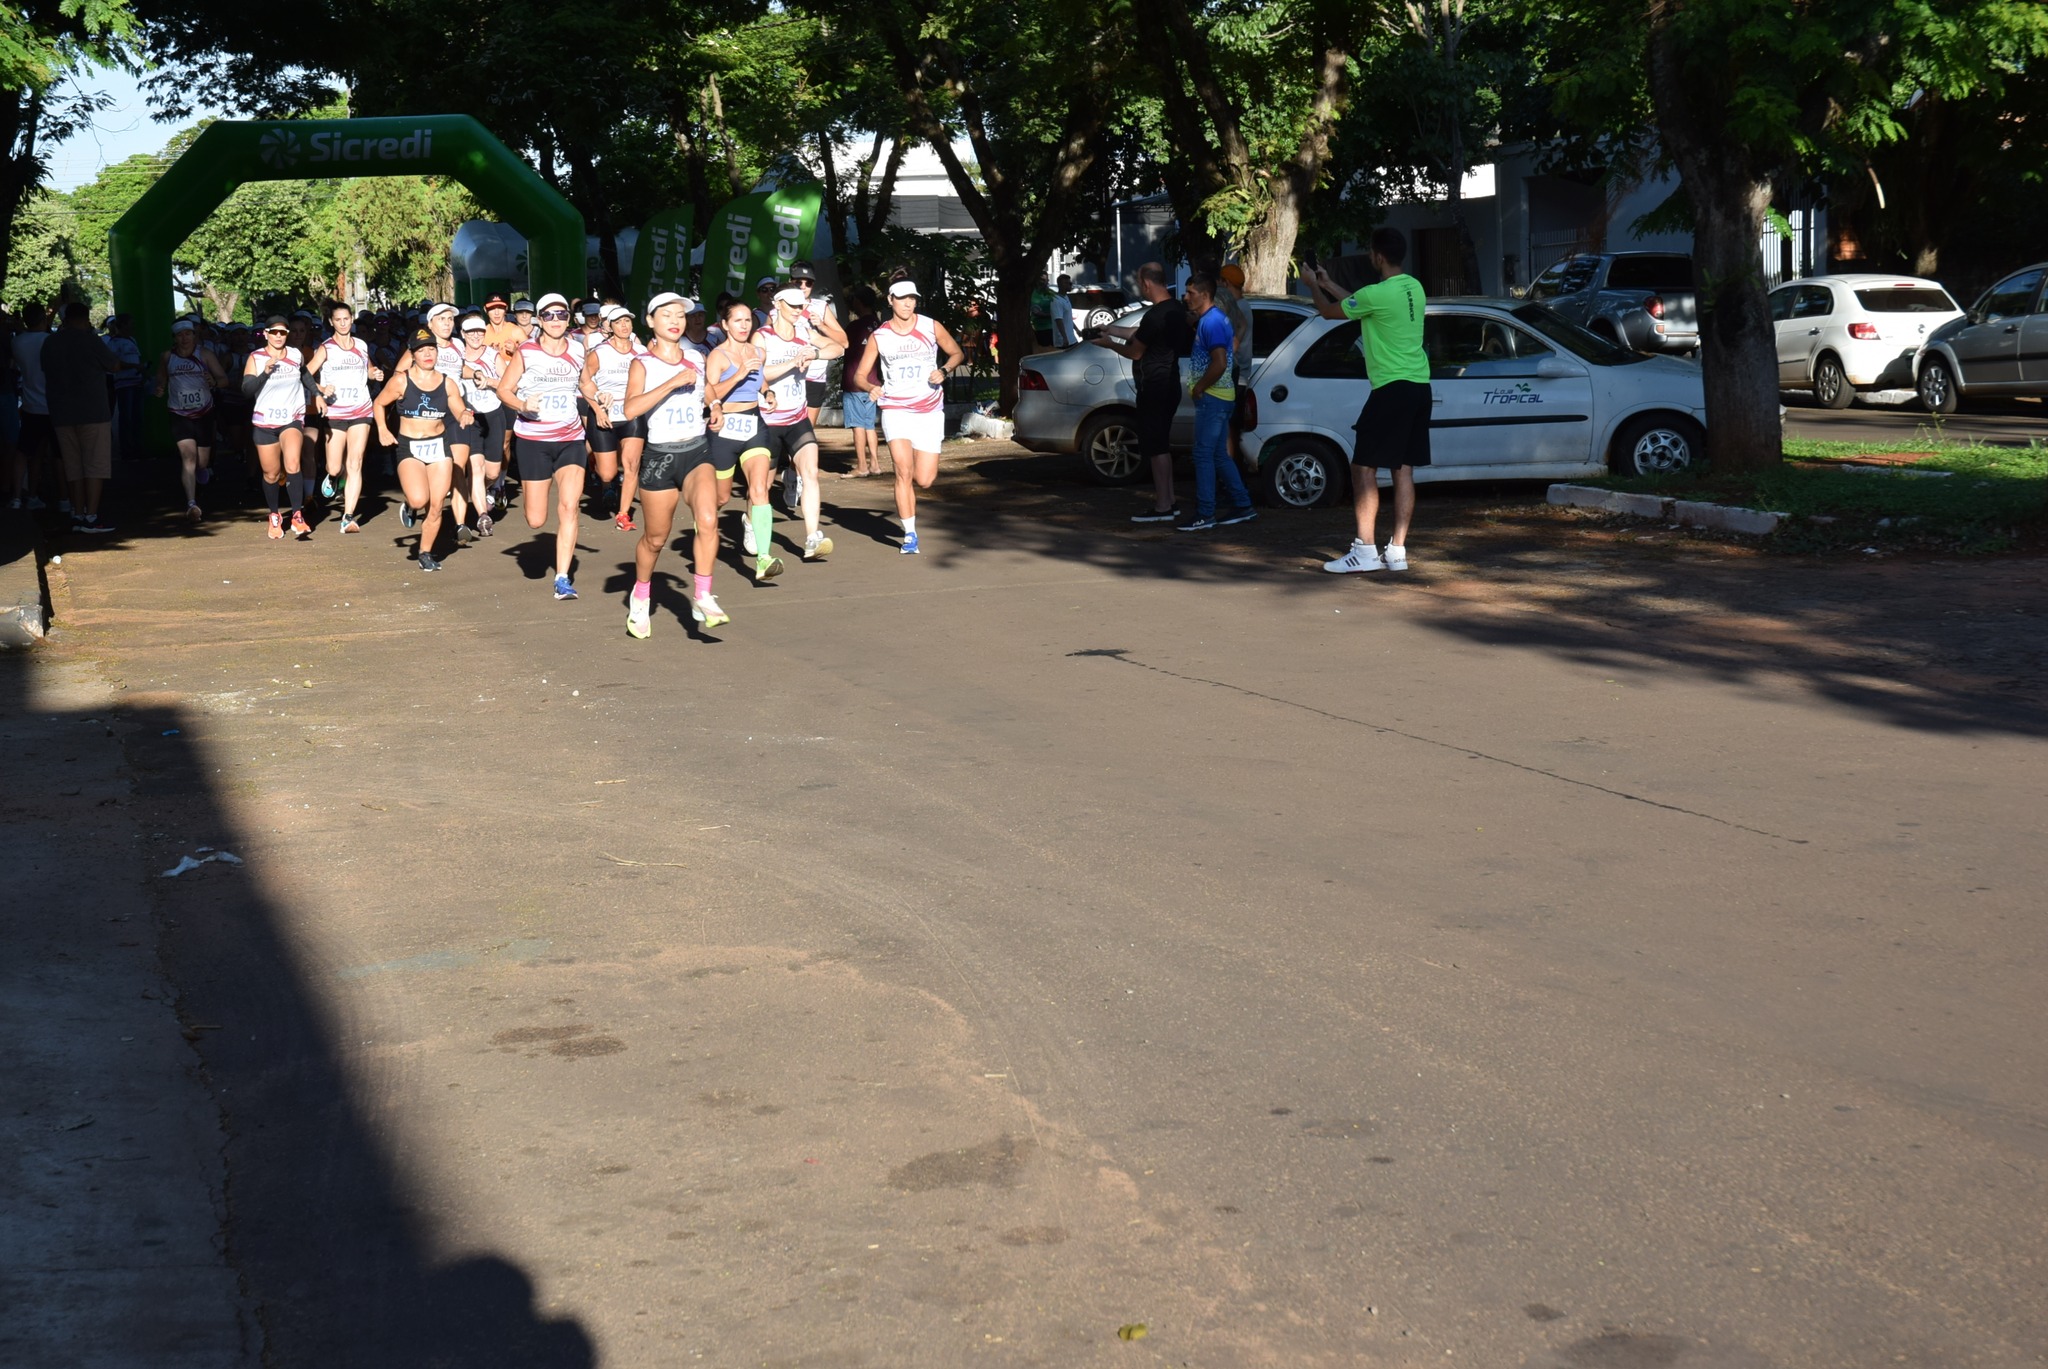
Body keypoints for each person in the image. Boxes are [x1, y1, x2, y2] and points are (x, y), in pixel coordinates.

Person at [1306, 227, 1427, 573]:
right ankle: (1397, 552)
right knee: (1403, 469)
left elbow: (1330, 313)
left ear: (1376, 256)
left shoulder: (1376, 294)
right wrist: (1328, 282)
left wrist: (1314, 286)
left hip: (1391, 387)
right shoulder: (1413, 287)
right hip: (1419, 385)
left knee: (1362, 468)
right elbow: (1360, 304)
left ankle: (1365, 551)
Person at [618, 292, 727, 637]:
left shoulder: (695, 355)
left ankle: (703, 595)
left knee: (708, 519)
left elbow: (707, 390)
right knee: (655, 538)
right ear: (650, 321)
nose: (676, 320)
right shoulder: (642, 364)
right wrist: (671, 382)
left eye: (680, 314)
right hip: (660, 456)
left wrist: (717, 406)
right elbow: (631, 409)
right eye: (667, 314)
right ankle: (641, 594)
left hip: (696, 451)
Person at [851, 280, 964, 555]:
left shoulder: (930, 326)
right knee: (903, 470)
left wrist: (945, 370)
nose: (908, 303)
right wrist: (871, 387)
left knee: (924, 479)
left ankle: (913, 500)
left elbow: (957, 353)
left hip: (928, 409)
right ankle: (910, 534)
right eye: (902, 298)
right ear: (890, 300)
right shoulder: (880, 335)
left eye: (912, 298)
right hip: (895, 409)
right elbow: (859, 375)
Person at [495, 292, 589, 600]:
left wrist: (597, 396)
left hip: (570, 438)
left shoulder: (577, 349)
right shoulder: (527, 351)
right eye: (548, 315)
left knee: (569, 507)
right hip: (534, 440)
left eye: (561, 314)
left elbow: (584, 382)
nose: (556, 320)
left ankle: (562, 578)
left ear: (568, 318)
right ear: (539, 319)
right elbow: (503, 390)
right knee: (536, 519)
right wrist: (523, 404)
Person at [1091, 262, 1189, 522]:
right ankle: (1169, 501)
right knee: (1162, 446)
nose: (1140, 287)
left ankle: (1163, 506)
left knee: (1156, 448)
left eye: (1139, 282)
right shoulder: (1174, 310)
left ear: (1146, 283)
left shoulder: (1155, 315)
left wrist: (1110, 344)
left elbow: (1135, 350)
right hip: (1169, 384)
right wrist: (1112, 329)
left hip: (1154, 387)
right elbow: (1140, 333)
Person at [371, 328, 472, 572]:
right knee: (419, 499)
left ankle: (425, 552)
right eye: (421, 350)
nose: (427, 354)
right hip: (410, 447)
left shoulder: (447, 382)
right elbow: (379, 403)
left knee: (437, 505)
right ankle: (410, 504)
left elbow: (458, 408)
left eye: (431, 349)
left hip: (438, 446)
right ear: (412, 354)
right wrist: (383, 430)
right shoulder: (401, 381)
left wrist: (464, 415)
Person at [702, 299, 785, 583]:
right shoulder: (718, 356)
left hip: (753, 424)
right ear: (725, 325)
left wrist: (768, 392)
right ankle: (704, 535)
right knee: (721, 497)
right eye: (737, 320)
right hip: (723, 428)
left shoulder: (758, 352)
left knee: (760, 490)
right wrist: (738, 374)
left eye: (748, 320)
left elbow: (760, 380)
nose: (744, 325)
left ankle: (764, 558)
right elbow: (708, 391)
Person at [1175, 274, 1257, 533]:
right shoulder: (1213, 320)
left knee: (1202, 454)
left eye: (1190, 292)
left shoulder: (1210, 322)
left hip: (1213, 398)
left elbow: (1220, 362)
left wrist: (1200, 386)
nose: (1186, 297)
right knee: (1219, 455)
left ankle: (1205, 513)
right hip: (1220, 398)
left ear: (1204, 294)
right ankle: (1243, 505)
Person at [758, 286, 831, 561]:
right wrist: (792, 362)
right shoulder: (762, 336)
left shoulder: (804, 332)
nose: (798, 311)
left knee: (810, 472)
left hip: (798, 419)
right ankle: (750, 523)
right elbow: (758, 373)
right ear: (777, 305)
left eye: (801, 306)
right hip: (768, 421)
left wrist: (815, 353)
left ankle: (812, 537)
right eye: (793, 306)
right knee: (762, 486)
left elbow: (839, 346)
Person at [42, 301, 120, 533]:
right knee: (95, 465)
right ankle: (91, 516)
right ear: (85, 318)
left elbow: (45, 369)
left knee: (73, 466)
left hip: (61, 412)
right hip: (92, 411)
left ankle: (77, 513)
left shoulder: (50, 342)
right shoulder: (91, 340)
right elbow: (114, 365)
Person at [305, 301, 383, 534]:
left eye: (346, 319)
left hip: (361, 409)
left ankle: (348, 517)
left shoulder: (361, 345)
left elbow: (368, 368)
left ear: (352, 319)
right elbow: (306, 373)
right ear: (331, 322)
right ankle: (331, 476)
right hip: (336, 412)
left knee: (355, 462)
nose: (342, 323)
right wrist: (320, 389)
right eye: (337, 319)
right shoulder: (326, 348)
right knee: (335, 465)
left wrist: (374, 373)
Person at [243, 315, 313, 540]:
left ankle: (297, 515)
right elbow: (246, 389)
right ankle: (274, 515)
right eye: (274, 332)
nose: (279, 336)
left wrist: (318, 393)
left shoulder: (295, 354)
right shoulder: (256, 357)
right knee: (271, 474)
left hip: (291, 418)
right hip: (265, 422)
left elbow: (304, 375)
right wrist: (265, 372)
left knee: (292, 463)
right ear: (266, 334)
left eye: (283, 332)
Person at [580, 303, 644, 530]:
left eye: (627, 320)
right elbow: (583, 383)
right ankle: (607, 484)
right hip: (604, 413)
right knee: (607, 472)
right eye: (618, 322)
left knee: (631, 465)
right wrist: (597, 409)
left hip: (631, 414)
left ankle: (624, 514)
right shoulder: (600, 352)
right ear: (610, 326)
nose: (624, 325)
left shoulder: (642, 352)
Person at [156, 319, 227, 521]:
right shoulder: (167, 357)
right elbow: (160, 378)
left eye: (188, 334)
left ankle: (201, 472)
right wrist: (160, 387)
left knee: (201, 462)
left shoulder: (205, 354)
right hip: (179, 413)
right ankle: (191, 503)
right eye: (180, 335)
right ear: (174, 338)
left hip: (204, 413)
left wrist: (215, 382)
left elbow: (224, 379)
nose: (184, 338)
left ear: (195, 336)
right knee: (188, 458)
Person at [456, 313, 508, 524]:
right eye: (470, 332)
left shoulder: (493, 356)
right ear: (462, 334)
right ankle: (482, 517)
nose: (475, 336)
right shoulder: (455, 356)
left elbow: (508, 384)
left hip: (493, 414)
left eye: (479, 331)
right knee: (475, 466)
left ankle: (477, 488)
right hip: (468, 417)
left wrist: (489, 382)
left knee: (492, 473)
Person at [786, 261, 848, 428]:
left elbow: (844, 342)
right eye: (799, 282)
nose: (803, 286)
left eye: (809, 283)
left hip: (814, 376)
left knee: (806, 432)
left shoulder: (820, 307)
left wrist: (821, 325)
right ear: (791, 281)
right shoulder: (779, 307)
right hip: (787, 374)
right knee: (784, 430)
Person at [838, 286, 884, 478]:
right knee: (869, 425)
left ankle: (862, 465)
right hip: (874, 382)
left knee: (858, 425)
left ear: (859, 301)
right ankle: (875, 463)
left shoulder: (855, 327)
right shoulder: (879, 324)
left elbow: (841, 344)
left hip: (855, 382)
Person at [10, 303, 50, 510]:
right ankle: (35, 495)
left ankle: (17, 496)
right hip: (51, 405)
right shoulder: (49, 340)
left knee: (23, 451)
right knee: (43, 453)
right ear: (43, 318)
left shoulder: (17, 342)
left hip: (29, 405)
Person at [105, 314, 145, 461]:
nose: (133, 327)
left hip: (136, 381)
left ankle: (137, 448)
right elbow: (113, 362)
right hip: (124, 384)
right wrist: (134, 366)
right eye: (130, 324)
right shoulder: (114, 342)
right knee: (126, 417)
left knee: (137, 418)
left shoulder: (132, 340)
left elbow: (138, 358)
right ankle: (127, 450)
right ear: (123, 325)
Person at [481, 294, 525, 359]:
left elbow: (531, 359)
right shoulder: (481, 334)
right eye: (492, 308)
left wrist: (515, 351)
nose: (497, 313)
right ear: (485, 309)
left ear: (506, 308)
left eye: (500, 308)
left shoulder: (517, 331)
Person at [1050, 273, 1077, 348]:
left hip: (1072, 339)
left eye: (1070, 283)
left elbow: (1068, 318)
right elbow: (1059, 320)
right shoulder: (1056, 300)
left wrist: (1077, 330)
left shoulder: (1066, 297)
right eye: (1067, 283)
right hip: (1063, 342)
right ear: (1060, 285)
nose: (1070, 285)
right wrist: (1064, 338)